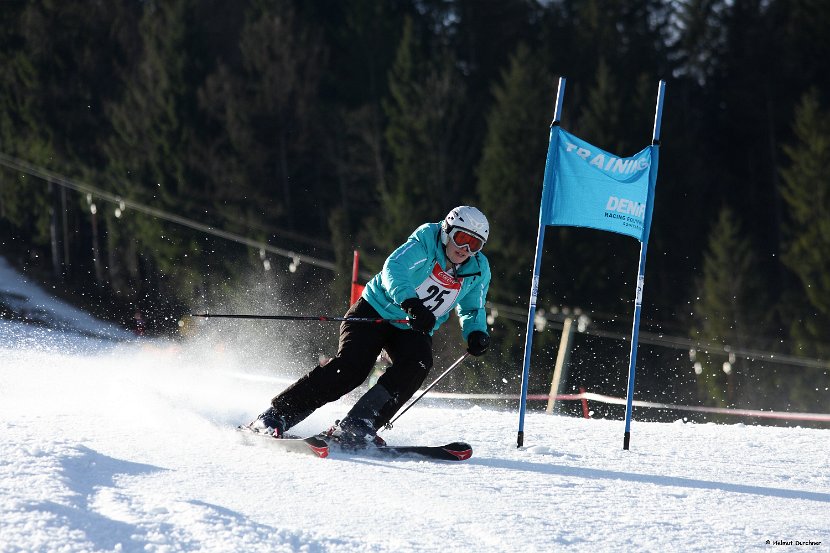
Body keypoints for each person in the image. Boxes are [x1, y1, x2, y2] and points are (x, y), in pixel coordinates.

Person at [250, 206, 492, 448]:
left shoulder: (478, 270)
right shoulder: (427, 240)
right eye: (462, 238)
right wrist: (411, 303)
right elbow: (394, 268)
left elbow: (472, 308)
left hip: (411, 328)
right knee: (352, 368)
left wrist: (476, 332)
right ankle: (277, 415)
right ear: (447, 231)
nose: (465, 249)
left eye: (475, 244)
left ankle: (359, 424)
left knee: (417, 363)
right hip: (375, 310)